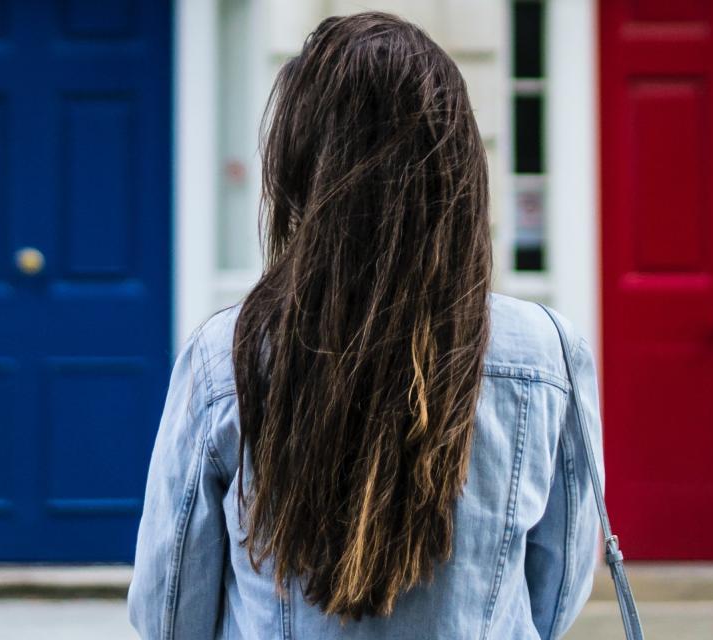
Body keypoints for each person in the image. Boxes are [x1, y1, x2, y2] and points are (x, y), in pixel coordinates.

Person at [128, 12, 602, 639]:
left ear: (301, 173)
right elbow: (556, 592)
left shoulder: (228, 354)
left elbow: (169, 611)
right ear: (458, 171)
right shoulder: (549, 355)